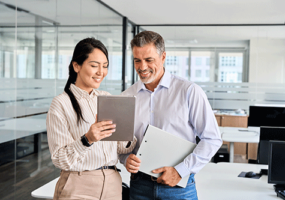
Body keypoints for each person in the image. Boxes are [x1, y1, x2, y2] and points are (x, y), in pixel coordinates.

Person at [119, 31, 222, 200]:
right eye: (137, 60)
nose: (142, 67)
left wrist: (180, 170)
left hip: (179, 186)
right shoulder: (127, 97)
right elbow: (121, 144)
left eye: (149, 60)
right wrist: (125, 158)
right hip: (139, 186)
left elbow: (212, 139)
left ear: (163, 56)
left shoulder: (188, 91)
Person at [47, 38, 137, 200]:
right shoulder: (61, 103)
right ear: (76, 66)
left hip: (112, 183)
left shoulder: (106, 98)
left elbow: (121, 147)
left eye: (105, 66)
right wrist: (87, 139)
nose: (100, 72)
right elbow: (59, 159)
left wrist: (127, 133)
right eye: (94, 65)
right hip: (79, 184)